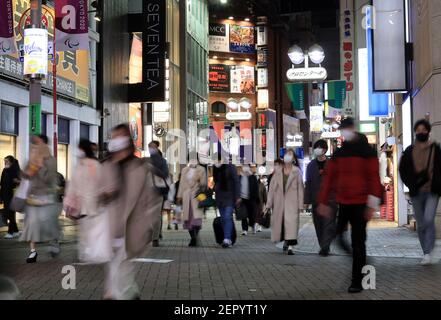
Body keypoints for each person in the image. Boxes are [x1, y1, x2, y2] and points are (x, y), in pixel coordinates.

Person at [317, 117, 382, 293]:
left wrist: (372, 204)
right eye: (342, 129)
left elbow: (374, 178)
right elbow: (329, 178)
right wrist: (323, 201)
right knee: (338, 236)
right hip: (344, 202)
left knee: (358, 242)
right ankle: (360, 259)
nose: (344, 132)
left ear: (353, 129)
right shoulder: (339, 153)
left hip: (361, 204)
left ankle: (357, 281)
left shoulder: (366, 151)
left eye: (346, 129)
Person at [99, 124, 161, 300]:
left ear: (127, 140)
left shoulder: (140, 167)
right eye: (113, 136)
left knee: (120, 271)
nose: (115, 140)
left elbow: (151, 200)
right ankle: (128, 293)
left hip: (132, 228)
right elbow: (94, 194)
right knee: (115, 272)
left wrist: (148, 225)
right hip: (109, 227)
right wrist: (103, 195)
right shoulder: (106, 166)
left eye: (119, 136)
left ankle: (119, 294)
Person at [399, 119, 441, 266]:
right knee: (422, 223)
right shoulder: (410, 150)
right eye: (418, 130)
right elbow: (402, 170)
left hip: (432, 191)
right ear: (415, 132)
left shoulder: (436, 149)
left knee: (429, 219)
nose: (420, 132)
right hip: (416, 192)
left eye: (423, 130)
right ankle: (426, 252)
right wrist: (410, 184)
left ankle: (429, 250)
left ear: (428, 132)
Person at [20, 135, 60, 263]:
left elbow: (50, 179)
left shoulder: (51, 161)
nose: (36, 147)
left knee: (48, 224)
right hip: (33, 197)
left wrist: (40, 166)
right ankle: (33, 252)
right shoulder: (31, 159)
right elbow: (25, 177)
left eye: (38, 144)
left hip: (47, 196)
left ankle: (54, 243)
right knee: (32, 225)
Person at [63, 139, 104, 262]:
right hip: (89, 202)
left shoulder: (86, 164)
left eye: (80, 148)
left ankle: (88, 251)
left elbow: (74, 184)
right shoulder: (91, 164)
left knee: (88, 228)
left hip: (87, 202)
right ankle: (89, 251)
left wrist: (69, 201)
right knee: (88, 227)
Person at [265, 149, 304, 255]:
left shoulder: (297, 172)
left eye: (290, 155)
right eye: (287, 154)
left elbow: (300, 189)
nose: (288, 156)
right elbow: (272, 189)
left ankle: (290, 246)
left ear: (293, 158)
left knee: (291, 225)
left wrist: (301, 204)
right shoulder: (278, 172)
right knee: (283, 224)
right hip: (279, 203)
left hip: (292, 203)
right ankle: (286, 241)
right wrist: (268, 204)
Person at [304, 139, 336, 256]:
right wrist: (306, 201)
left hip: (330, 200)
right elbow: (308, 183)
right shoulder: (311, 165)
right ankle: (323, 245)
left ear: (325, 150)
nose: (317, 150)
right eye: (315, 148)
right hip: (316, 200)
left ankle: (325, 247)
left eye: (319, 148)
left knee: (328, 224)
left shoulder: (332, 164)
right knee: (318, 225)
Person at [177, 153, 207, 247]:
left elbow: (204, 184)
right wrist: (179, 196)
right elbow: (181, 184)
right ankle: (192, 237)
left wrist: (199, 180)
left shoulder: (201, 169)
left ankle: (195, 236)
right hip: (186, 197)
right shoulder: (185, 170)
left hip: (197, 196)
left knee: (196, 219)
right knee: (188, 219)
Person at [213, 154, 240, 248]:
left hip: (230, 196)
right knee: (223, 218)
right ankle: (228, 237)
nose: (216, 162)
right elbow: (216, 183)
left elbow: (236, 181)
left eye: (217, 160)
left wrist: (238, 196)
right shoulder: (215, 168)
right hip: (220, 197)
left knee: (228, 216)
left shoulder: (231, 167)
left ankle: (227, 239)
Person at [148, 140, 169, 247]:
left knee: (156, 215)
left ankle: (155, 237)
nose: (150, 149)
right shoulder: (145, 160)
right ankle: (151, 234)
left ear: (157, 148)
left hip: (157, 191)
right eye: (149, 147)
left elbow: (165, 175)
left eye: (152, 147)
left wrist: (153, 169)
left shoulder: (162, 161)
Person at [1, 156, 21, 239]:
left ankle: (10, 232)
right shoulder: (5, 170)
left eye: (7, 161)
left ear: (11, 162)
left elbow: (22, 181)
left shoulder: (15, 170)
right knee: (9, 213)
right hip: (5, 194)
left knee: (10, 212)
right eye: (4, 161)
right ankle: (15, 231)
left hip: (12, 195)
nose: (5, 163)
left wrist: (17, 181)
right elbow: (2, 182)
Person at [239, 164, 260, 235]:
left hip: (251, 198)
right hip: (242, 198)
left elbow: (256, 188)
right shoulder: (240, 177)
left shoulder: (252, 177)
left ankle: (252, 225)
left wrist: (257, 198)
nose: (244, 168)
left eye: (246, 166)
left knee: (251, 214)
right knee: (243, 214)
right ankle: (244, 229)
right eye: (243, 166)